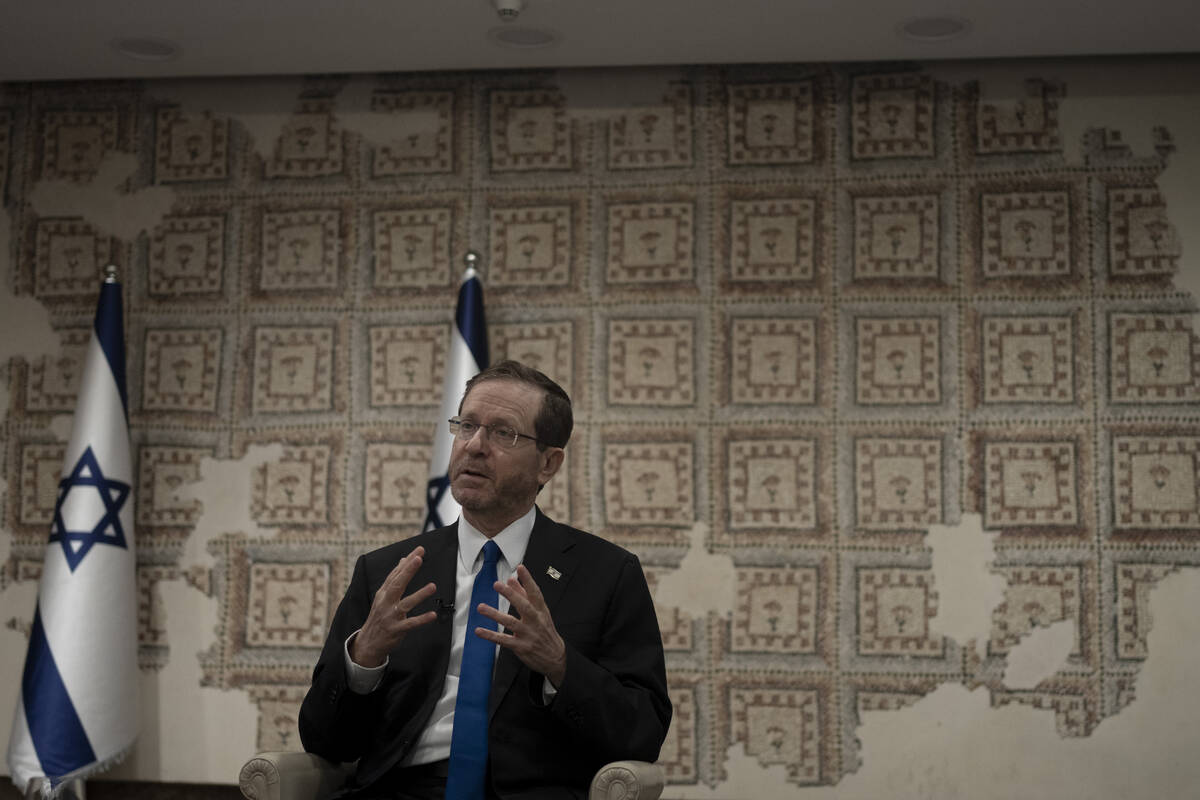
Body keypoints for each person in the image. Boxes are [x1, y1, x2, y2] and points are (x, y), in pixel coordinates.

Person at [299, 360, 672, 799]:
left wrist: (560, 664)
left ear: (548, 464)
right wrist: (363, 661)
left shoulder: (607, 574)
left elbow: (642, 732)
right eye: (466, 426)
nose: (474, 446)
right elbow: (324, 741)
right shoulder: (387, 573)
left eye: (503, 433)